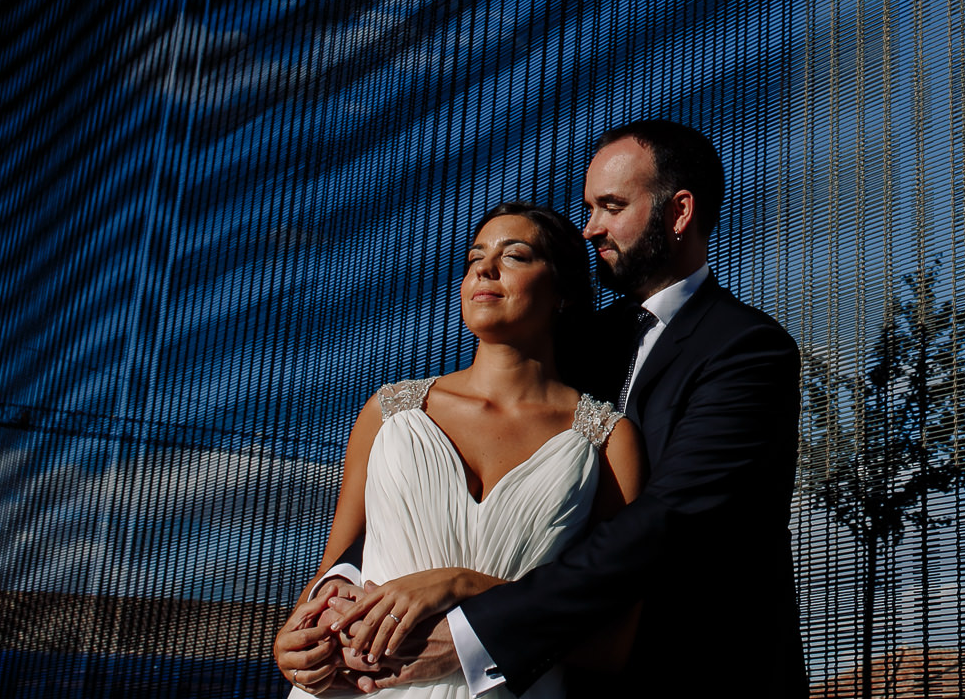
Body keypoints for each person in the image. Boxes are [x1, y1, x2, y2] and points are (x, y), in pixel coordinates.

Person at [283, 120, 808, 699]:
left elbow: (669, 521)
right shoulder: (570, 348)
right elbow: (388, 518)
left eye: (611, 206)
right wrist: (326, 603)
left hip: (693, 673)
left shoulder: (747, 349)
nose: (591, 229)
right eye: (588, 208)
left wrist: (470, 608)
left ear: (679, 212)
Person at [273, 202, 644, 698]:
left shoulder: (606, 440)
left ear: (563, 292)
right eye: (475, 258)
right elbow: (330, 575)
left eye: (514, 255)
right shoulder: (389, 414)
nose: (485, 268)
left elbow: (611, 643)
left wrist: (465, 584)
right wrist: (295, 644)